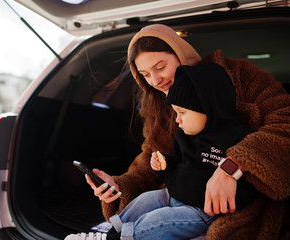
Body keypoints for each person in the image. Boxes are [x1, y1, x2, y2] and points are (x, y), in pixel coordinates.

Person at [67, 24, 290, 239]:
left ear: (180, 55)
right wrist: (118, 187)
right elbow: (150, 161)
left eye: (160, 67)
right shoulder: (158, 106)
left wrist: (230, 167)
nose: (155, 80)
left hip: (244, 210)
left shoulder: (240, 76)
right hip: (180, 200)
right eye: (145, 74)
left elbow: (285, 124)